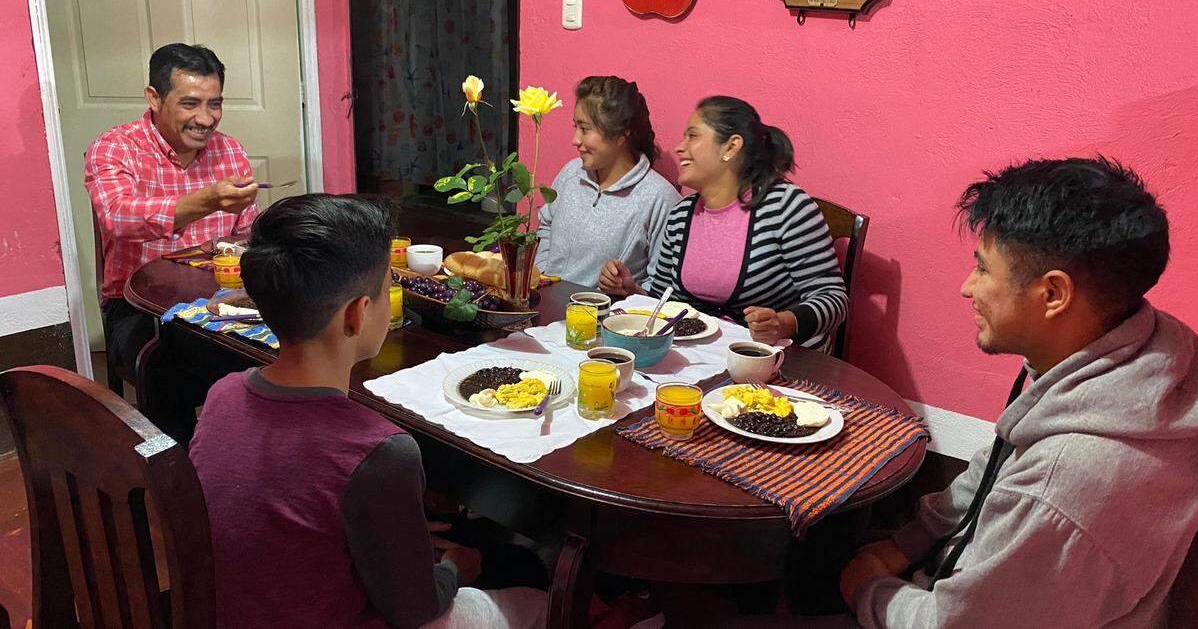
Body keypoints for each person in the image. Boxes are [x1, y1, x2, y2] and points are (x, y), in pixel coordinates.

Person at [837, 158, 1198, 627]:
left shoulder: (1063, 484)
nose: (968, 288)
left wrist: (867, 587)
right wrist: (901, 546)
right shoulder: (1142, 346)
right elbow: (1001, 456)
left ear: (1053, 294)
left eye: (983, 269)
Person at [188, 194, 546, 628]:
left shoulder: (222, 395)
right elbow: (415, 607)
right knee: (534, 600)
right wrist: (455, 568)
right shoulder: (377, 450)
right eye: (385, 289)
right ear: (357, 315)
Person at [599, 96, 847, 350]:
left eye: (692, 136)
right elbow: (665, 300)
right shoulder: (681, 215)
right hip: (703, 358)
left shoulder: (785, 206)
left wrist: (784, 323)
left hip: (778, 360)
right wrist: (631, 291)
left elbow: (833, 297)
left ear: (731, 147)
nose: (679, 148)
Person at [86, 43, 258, 403]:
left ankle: (248, 451)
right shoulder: (116, 147)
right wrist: (207, 201)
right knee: (168, 366)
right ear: (154, 97)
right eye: (190, 103)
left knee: (290, 343)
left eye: (215, 104)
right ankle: (176, 458)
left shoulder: (231, 151)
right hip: (136, 305)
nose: (206, 119)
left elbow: (248, 236)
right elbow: (117, 218)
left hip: (219, 297)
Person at [535, 76, 679, 288]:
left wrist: (629, 290)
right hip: (545, 308)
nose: (575, 140)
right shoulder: (570, 173)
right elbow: (546, 224)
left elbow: (662, 286)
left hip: (601, 319)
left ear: (620, 136)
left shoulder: (659, 198)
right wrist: (543, 273)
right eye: (576, 127)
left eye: (585, 129)